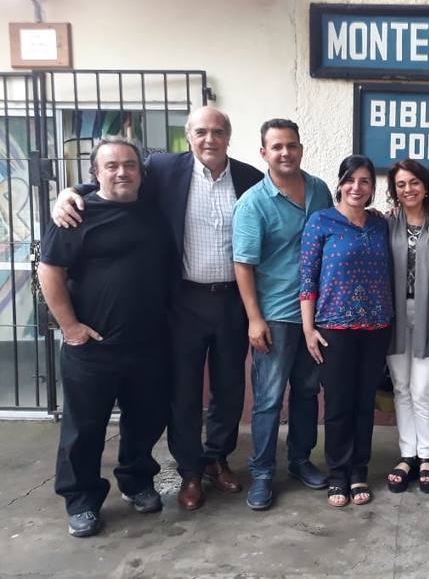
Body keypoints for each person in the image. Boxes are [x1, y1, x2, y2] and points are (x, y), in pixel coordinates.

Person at [51, 106, 263, 510]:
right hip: (183, 301)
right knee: (183, 391)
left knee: (230, 388)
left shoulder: (249, 178)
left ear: (229, 137)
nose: (209, 139)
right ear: (188, 135)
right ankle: (189, 472)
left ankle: (217, 458)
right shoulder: (165, 170)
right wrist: (70, 192)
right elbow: (114, 176)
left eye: (218, 131)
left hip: (233, 302)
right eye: (201, 131)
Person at [38, 138, 174, 537]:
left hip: (148, 343)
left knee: (146, 420)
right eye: (111, 166)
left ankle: (136, 482)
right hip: (92, 347)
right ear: (95, 173)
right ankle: (81, 500)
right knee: (83, 429)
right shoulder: (75, 215)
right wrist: (70, 327)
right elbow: (50, 271)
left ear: (140, 171)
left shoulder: (153, 208)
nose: (121, 173)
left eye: (129, 165)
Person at [232, 119, 333, 510]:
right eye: (276, 147)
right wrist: (254, 319)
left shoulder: (320, 190)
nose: (285, 152)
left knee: (308, 392)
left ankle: (300, 460)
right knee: (269, 399)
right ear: (264, 153)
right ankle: (261, 472)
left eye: (291, 145)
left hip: (317, 316)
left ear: (301, 149)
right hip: (274, 316)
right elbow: (243, 264)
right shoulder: (254, 203)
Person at [300, 155, 393, 508]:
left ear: (372, 188)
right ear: (340, 183)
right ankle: (337, 475)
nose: (357, 187)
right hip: (333, 329)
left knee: (363, 404)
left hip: (376, 328)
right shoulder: (321, 222)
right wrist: (309, 328)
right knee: (338, 405)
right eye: (351, 180)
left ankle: (359, 473)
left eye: (365, 181)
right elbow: (307, 279)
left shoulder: (380, 224)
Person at [384, 159, 429, 494]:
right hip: (395, 313)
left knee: (422, 387)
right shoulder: (386, 223)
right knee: (400, 386)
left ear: (426, 186)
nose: (407, 189)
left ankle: (427, 455)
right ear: (394, 190)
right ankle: (407, 453)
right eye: (400, 184)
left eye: (413, 182)